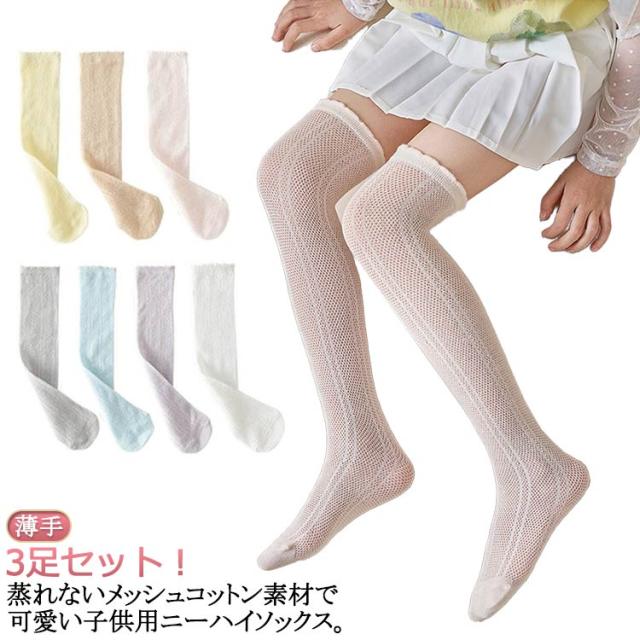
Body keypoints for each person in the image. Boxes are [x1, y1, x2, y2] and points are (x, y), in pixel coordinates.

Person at [257, 0, 640, 621]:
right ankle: (360, 446)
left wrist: (602, 160)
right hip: (443, 24)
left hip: (551, 45)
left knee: (380, 218)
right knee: (291, 176)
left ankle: (531, 465)